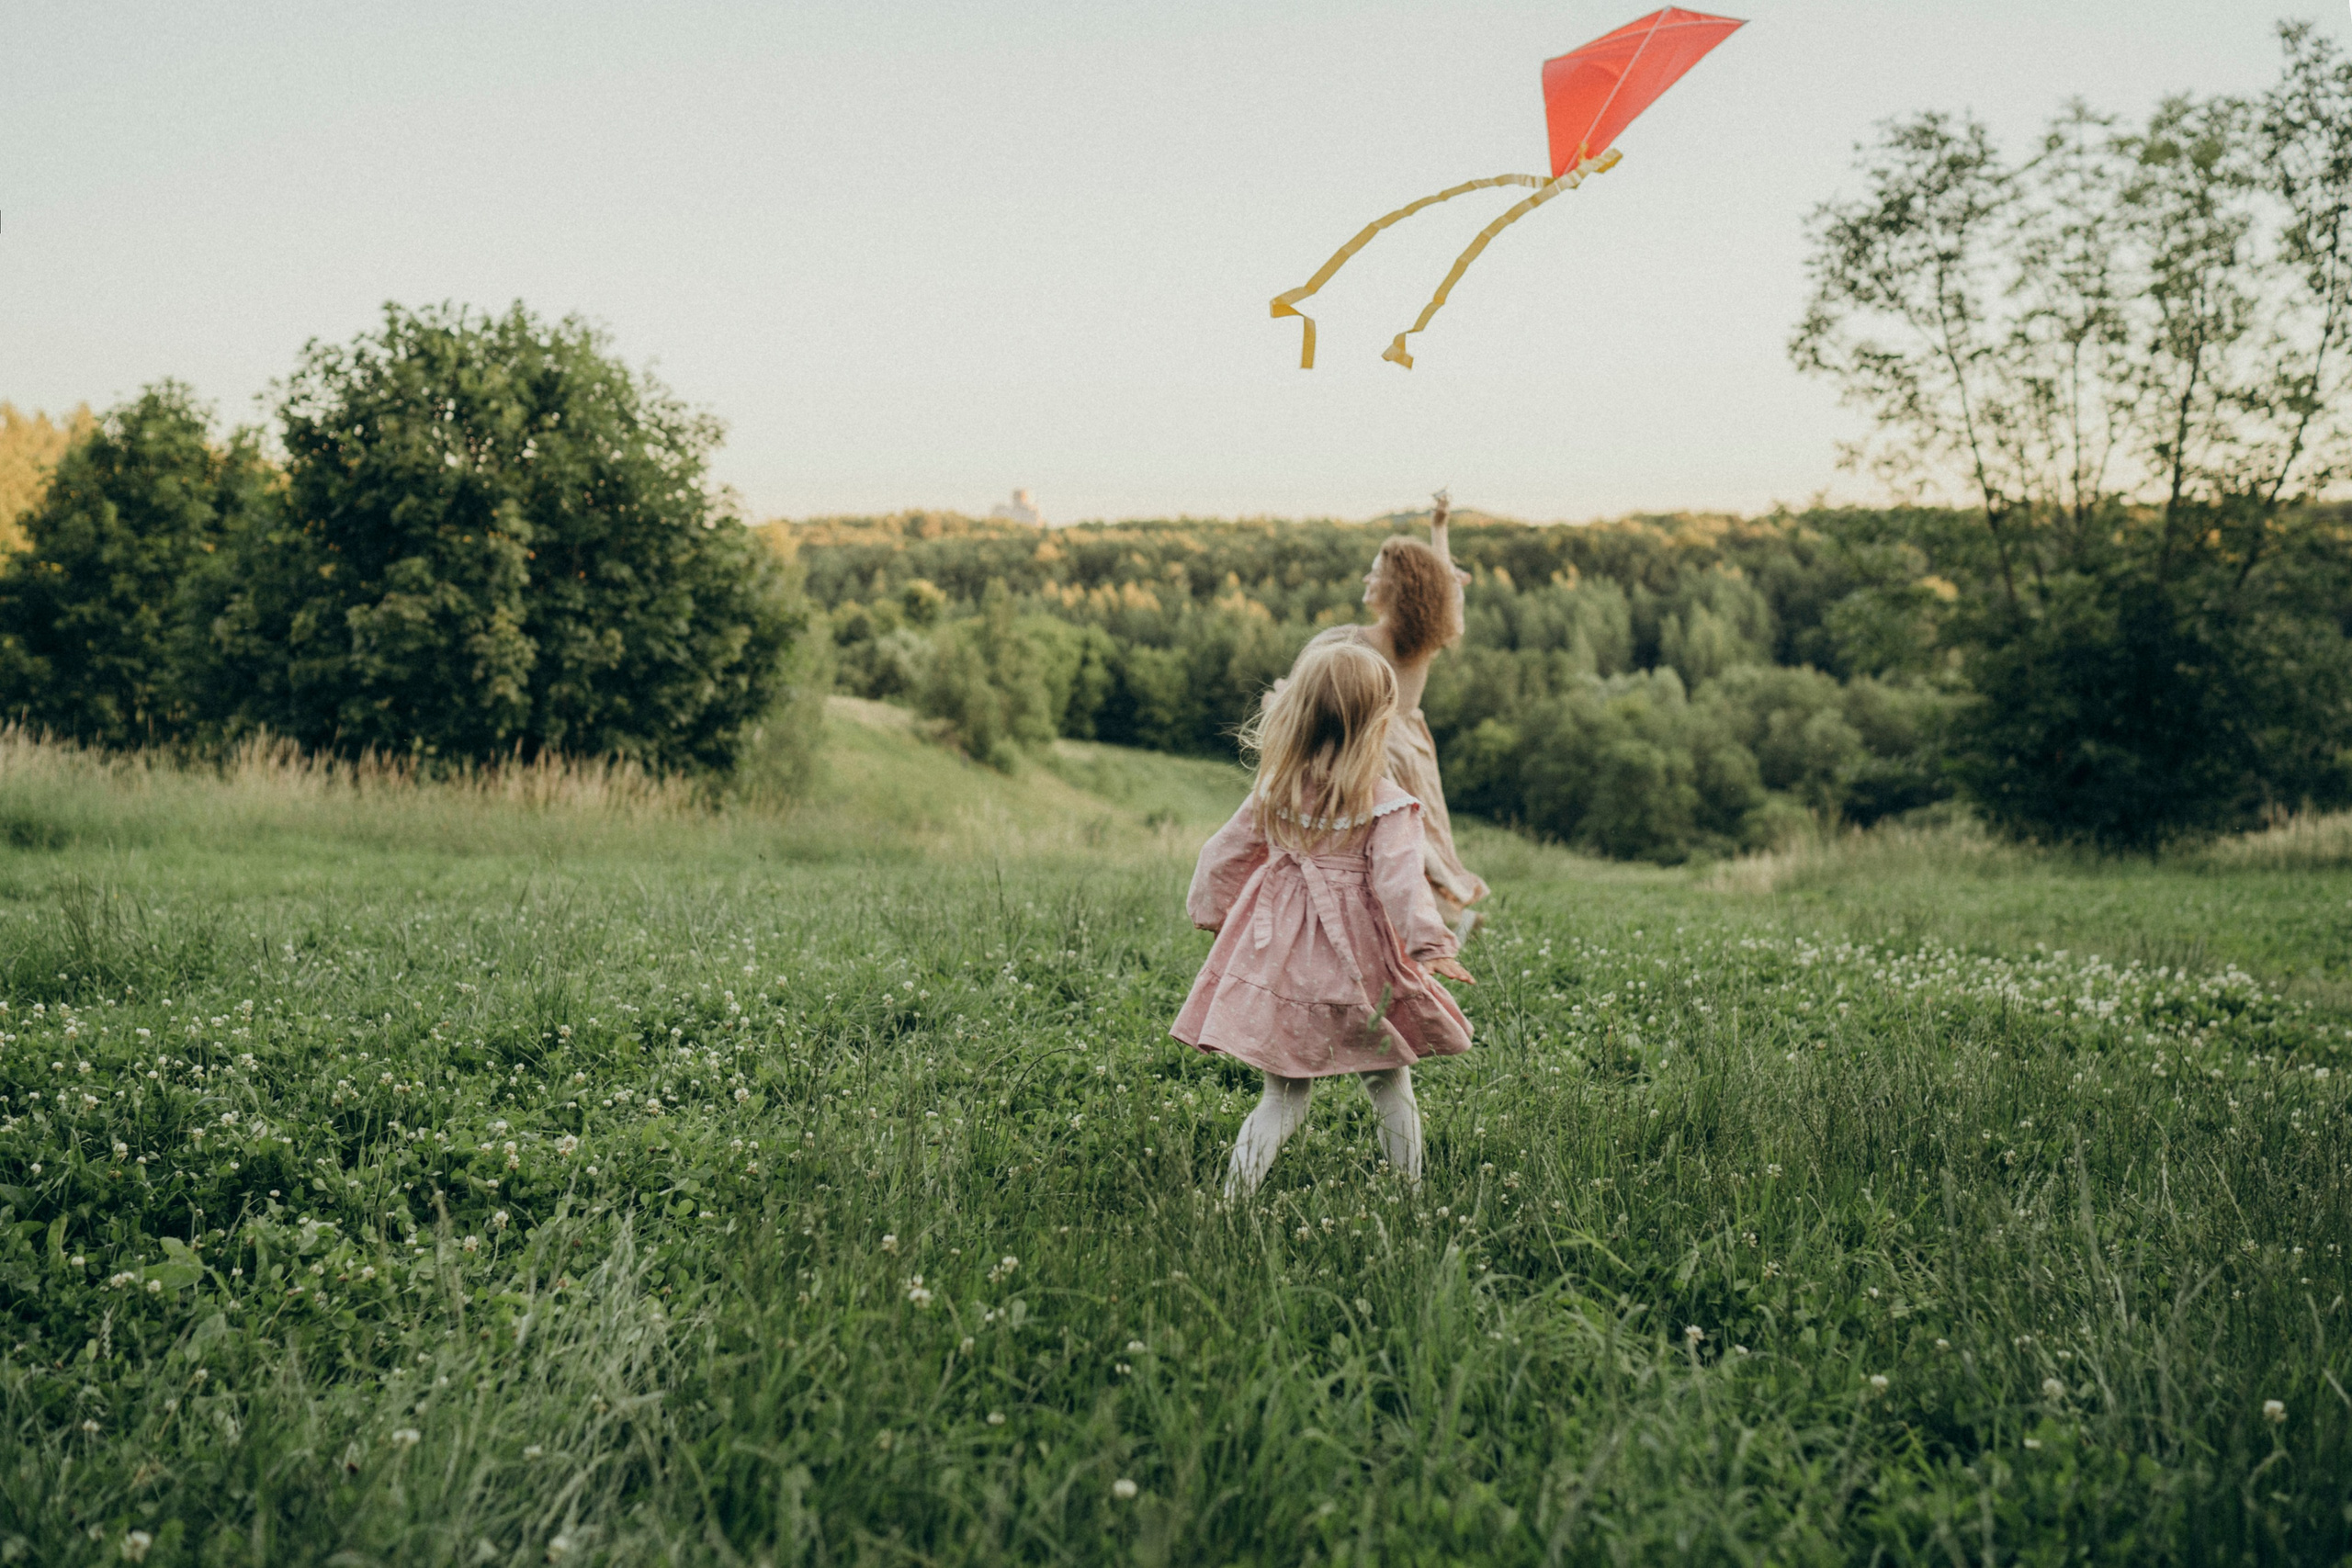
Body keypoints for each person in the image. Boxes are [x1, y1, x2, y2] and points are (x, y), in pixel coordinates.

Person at [1172, 638, 1475, 1199]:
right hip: (1360, 968)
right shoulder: (1386, 803)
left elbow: (1221, 854)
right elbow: (1402, 885)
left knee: (1283, 1098)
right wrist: (1432, 945)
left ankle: (1233, 1201)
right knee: (1390, 1083)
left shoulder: (1276, 791)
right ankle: (1409, 1195)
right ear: (1377, 724)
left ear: (1302, 714)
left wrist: (1211, 912)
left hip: (1282, 962)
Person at [1276, 493, 1489, 943]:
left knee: (1368, 846)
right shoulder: (1427, 638)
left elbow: (1307, 696)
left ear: (1397, 586)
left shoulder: (1345, 642)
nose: (1367, 578)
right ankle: (1438, 920)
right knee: (1413, 842)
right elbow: (1446, 590)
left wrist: (1276, 705)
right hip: (1412, 753)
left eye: (1375, 571)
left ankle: (1422, 927)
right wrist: (1439, 529)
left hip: (1365, 750)